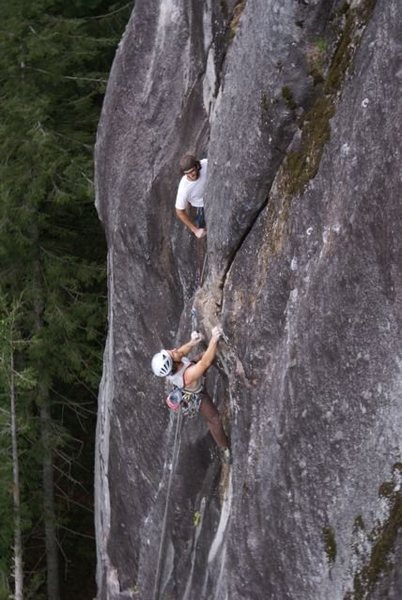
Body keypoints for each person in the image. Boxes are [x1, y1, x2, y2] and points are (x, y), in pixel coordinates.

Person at [151, 326, 230, 461]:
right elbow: (204, 363)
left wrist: (193, 341)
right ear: (173, 363)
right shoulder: (186, 376)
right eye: (171, 353)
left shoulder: (174, 363)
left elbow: (181, 352)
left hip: (194, 372)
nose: (173, 350)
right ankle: (224, 447)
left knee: (206, 355)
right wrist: (214, 339)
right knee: (214, 419)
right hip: (197, 395)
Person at [175, 154, 208, 239]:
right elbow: (179, 211)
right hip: (202, 205)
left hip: (212, 193)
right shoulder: (184, 188)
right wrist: (195, 230)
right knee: (204, 228)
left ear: (197, 166)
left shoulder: (205, 164)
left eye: (192, 171)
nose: (191, 175)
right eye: (187, 173)